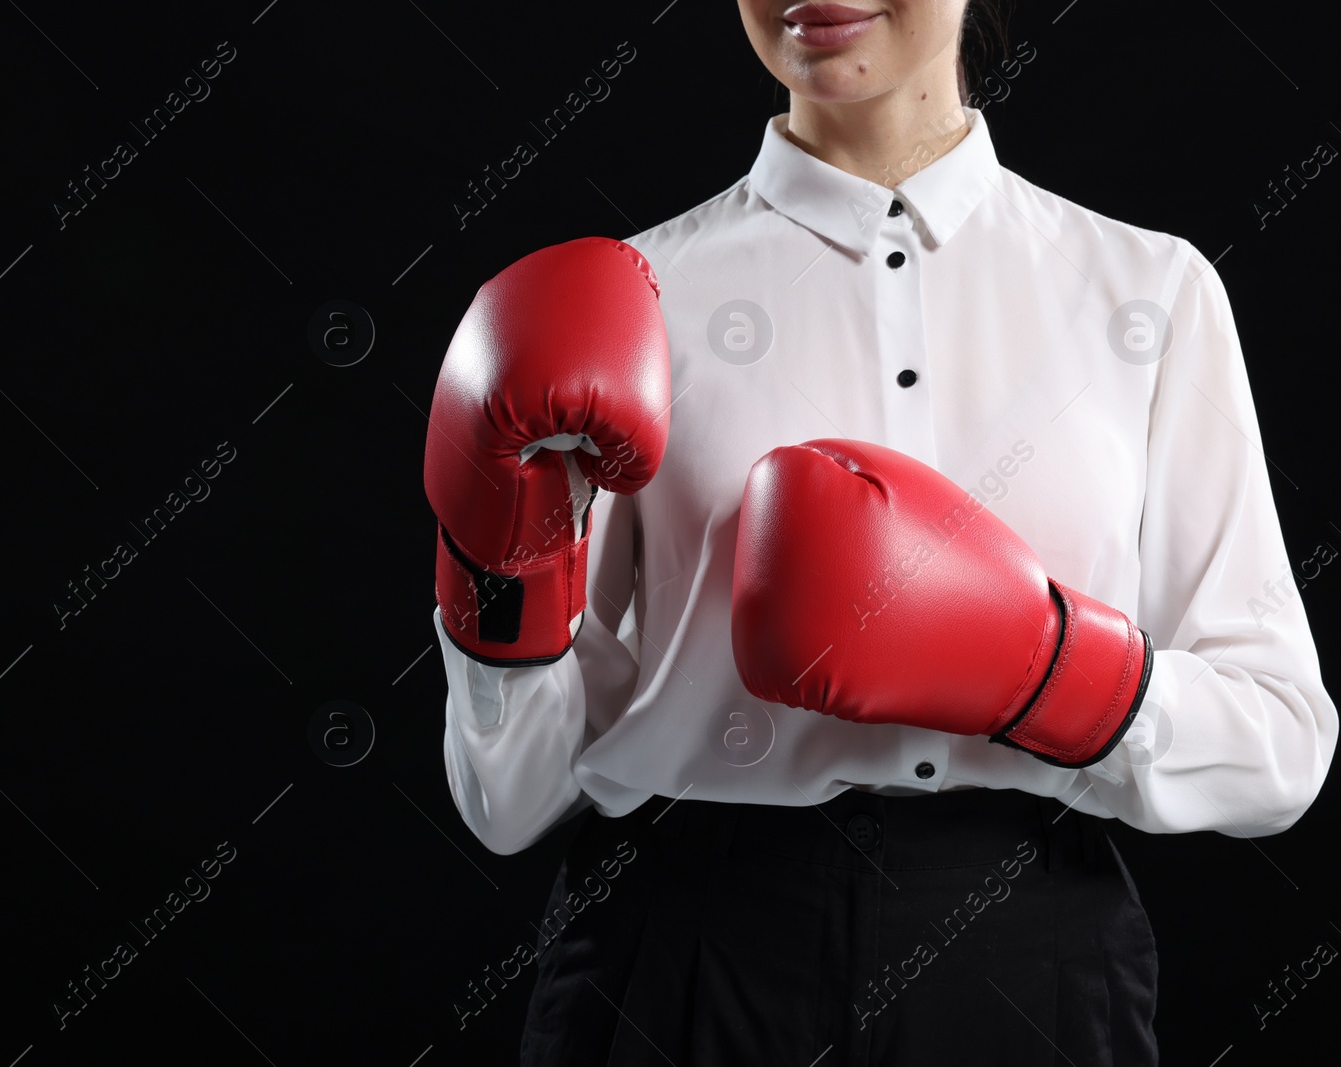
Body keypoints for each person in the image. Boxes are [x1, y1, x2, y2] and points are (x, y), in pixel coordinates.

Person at [423, 2, 1337, 1064]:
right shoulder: (634, 297)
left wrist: (1045, 667)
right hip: (679, 950)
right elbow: (512, 800)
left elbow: (1278, 742)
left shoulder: (1149, 293)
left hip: (1023, 954)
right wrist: (494, 566)